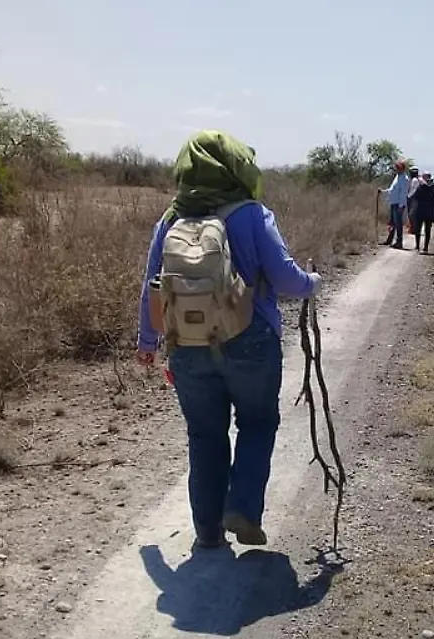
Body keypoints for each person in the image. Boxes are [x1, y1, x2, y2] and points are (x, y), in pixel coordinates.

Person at [136, 130, 322, 549]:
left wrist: (148, 342)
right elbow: (286, 279)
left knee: (205, 436)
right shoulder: (252, 214)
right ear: (238, 166)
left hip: (187, 344)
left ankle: (207, 533)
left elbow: (152, 287)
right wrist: (314, 282)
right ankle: (242, 507)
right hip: (251, 340)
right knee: (258, 423)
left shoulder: (169, 221)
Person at [380, 161, 410, 249]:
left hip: (398, 204)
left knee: (398, 224)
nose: (396, 169)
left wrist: (401, 206)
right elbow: (392, 189)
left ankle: (399, 242)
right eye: (396, 167)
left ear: (402, 168)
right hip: (393, 203)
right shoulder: (397, 177)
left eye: (398, 167)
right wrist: (383, 191)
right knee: (392, 223)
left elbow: (403, 194)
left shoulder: (404, 179)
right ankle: (389, 240)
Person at [410, 172, 434, 253]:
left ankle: (422, 247)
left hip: (423, 210)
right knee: (422, 229)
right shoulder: (431, 187)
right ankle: (421, 247)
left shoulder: (423, 187)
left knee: (424, 229)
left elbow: (415, 197)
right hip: (427, 211)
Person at [406, 166, 422, 236]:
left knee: (412, 214)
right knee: (412, 214)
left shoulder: (415, 180)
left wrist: (408, 197)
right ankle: (413, 228)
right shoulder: (417, 179)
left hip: (413, 198)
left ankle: (413, 229)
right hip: (414, 198)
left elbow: (413, 190)